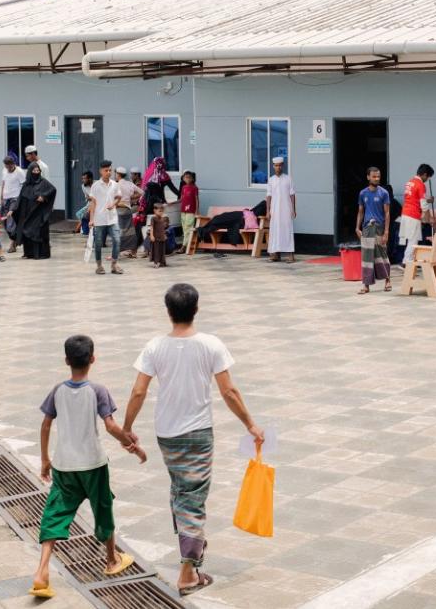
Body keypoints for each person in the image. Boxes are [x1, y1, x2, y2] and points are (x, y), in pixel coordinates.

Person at [123, 284, 264, 596]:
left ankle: (192, 554)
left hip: (167, 434)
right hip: (198, 434)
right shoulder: (211, 345)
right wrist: (250, 424)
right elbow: (229, 391)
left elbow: (138, 391)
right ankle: (188, 570)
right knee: (193, 498)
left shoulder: (155, 347)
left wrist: (127, 428)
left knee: (181, 491)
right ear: (196, 309)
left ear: (168, 312)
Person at [29, 335, 145, 600]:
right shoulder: (98, 390)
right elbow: (111, 425)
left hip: (64, 465)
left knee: (55, 513)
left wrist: (45, 459)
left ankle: (42, 571)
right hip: (93, 464)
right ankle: (111, 560)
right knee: (102, 507)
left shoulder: (57, 390)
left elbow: (46, 424)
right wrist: (132, 444)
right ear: (93, 359)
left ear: (66, 360)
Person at [356, 167, 392, 294]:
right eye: (374, 176)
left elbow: (387, 213)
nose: (377, 179)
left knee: (381, 255)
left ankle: (387, 280)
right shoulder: (363, 193)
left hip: (379, 228)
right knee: (366, 257)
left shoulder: (384, 193)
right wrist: (357, 227)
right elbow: (360, 212)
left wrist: (386, 232)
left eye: (378, 176)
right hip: (366, 229)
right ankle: (366, 285)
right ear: (368, 177)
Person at [14, 162, 56, 259]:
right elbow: (21, 198)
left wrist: (44, 197)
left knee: (37, 232)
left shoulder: (43, 182)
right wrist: (14, 209)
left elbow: (52, 190)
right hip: (27, 212)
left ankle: (41, 254)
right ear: (30, 172)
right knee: (26, 230)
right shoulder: (26, 184)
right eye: (34, 171)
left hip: (39, 213)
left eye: (38, 171)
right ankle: (29, 253)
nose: (36, 173)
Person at [89, 160, 124, 276]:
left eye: (110, 170)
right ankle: (99, 266)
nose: (108, 172)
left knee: (117, 240)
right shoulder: (95, 186)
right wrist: (91, 219)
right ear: (101, 171)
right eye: (106, 170)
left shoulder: (115, 184)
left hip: (112, 218)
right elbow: (92, 204)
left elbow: (118, 197)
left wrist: (113, 204)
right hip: (99, 219)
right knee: (98, 243)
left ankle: (114, 264)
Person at [399, 164, 435, 265]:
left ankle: (406, 260)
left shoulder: (410, 182)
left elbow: (414, 198)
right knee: (413, 241)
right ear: (424, 174)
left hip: (405, 213)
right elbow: (423, 205)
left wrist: (428, 200)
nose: (427, 180)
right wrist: (430, 218)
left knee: (410, 239)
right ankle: (407, 262)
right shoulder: (420, 184)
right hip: (413, 215)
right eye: (428, 177)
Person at [265, 157, 296, 263]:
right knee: (275, 230)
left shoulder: (288, 178)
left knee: (287, 229)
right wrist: (267, 211)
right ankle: (275, 255)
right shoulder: (271, 179)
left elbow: (292, 194)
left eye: (280, 165)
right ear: (273, 166)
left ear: (283, 166)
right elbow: (268, 196)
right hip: (274, 209)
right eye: (276, 165)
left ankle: (290, 255)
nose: (278, 167)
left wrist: (293, 209)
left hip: (286, 209)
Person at [0, 156, 26, 252]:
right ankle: (15, 238)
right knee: (2, 220)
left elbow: (24, 185)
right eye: (6, 167)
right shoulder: (4, 170)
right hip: (5, 198)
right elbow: (3, 183)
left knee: (10, 221)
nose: (8, 169)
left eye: (10, 166)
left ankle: (13, 243)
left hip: (15, 198)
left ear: (13, 164)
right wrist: (1, 197)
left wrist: (21, 199)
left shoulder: (19, 172)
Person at [115, 167, 142, 257]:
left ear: (118, 174)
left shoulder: (116, 185)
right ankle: (133, 251)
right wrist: (131, 198)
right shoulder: (130, 184)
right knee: (130, 232)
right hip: (127, 210)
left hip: (119, 210)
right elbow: (142, 192)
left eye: (115, 174)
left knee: (118, 232)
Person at [177, 170, 199, 254]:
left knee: (188, 228)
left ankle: (184, 246)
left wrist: (197, 210)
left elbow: (196, 200)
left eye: (189, 177)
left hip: (191, 211)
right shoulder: (183, 187)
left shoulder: (194, 188)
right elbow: (181, 199)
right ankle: (186, 244)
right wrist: (171, 203)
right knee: (184, 228)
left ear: (192, 179)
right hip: (183, 210)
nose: (187, 179)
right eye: (185, 177)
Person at [147, 204, 169, 268]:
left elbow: (163, 228)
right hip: (156, 237)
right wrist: (151, 235)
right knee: (156, 250)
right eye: (159, 211)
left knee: (162, 250)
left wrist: (164, 235)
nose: (161, 213)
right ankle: (156, 262)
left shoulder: (163, 219)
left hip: (162, 237)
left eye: (162, 211)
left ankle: (162, 261)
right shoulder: (153, 218)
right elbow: (152, 227)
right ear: (154, 211)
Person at [74, 171, 94, 236]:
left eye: (84, 178)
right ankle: (82, 229)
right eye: (82, 179)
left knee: (86, 215)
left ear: (90, 179)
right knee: (79, 214)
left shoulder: (96, 185)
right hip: (90, 203)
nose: (83, 180)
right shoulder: (83, 186)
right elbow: (87, 197)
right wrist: (89, 198)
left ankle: (79, 229)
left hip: (97, 204)